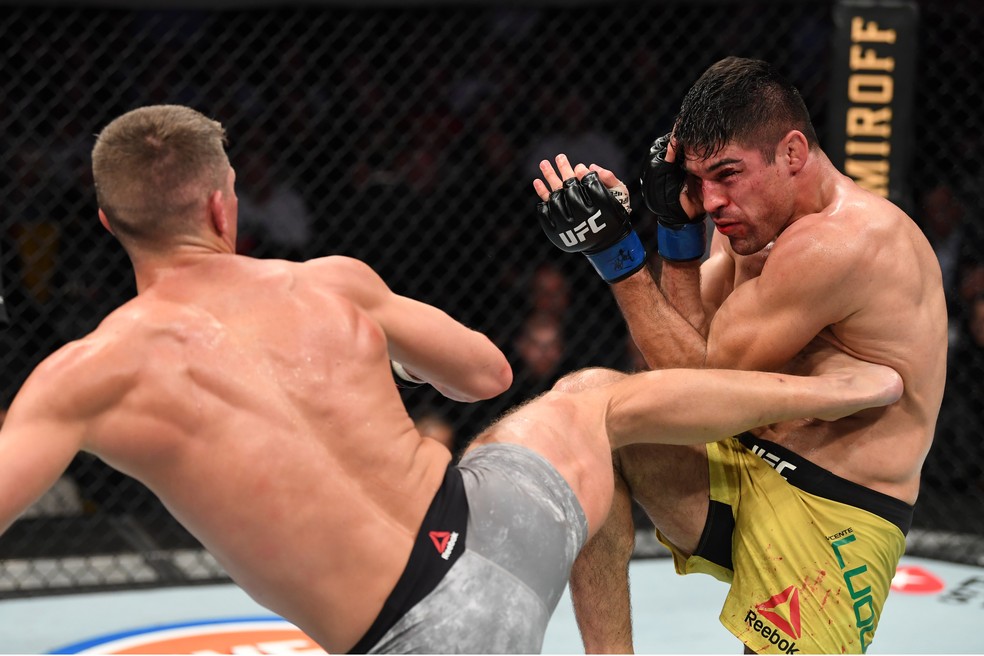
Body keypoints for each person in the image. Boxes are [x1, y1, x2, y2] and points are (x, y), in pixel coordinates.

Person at [0, 104, 904, 655]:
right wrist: (383, 351)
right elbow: (484, 374)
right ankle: (835, 392)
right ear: (221, 204)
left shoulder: (84, 375)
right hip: (495, 532)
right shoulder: (332, 285)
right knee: (590, 399)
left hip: (419, 641)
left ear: (108, 220)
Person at [534, 57, 947, 654]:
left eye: (728, 174)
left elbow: (700, 381)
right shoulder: (761, 228)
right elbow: (682, 347)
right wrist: (670, 230)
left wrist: (617, 255)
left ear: (792, 152)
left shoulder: (840, 242)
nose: (712, 200)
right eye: (698, 181)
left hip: (831, 512)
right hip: (743, 462)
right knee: (583, 404)